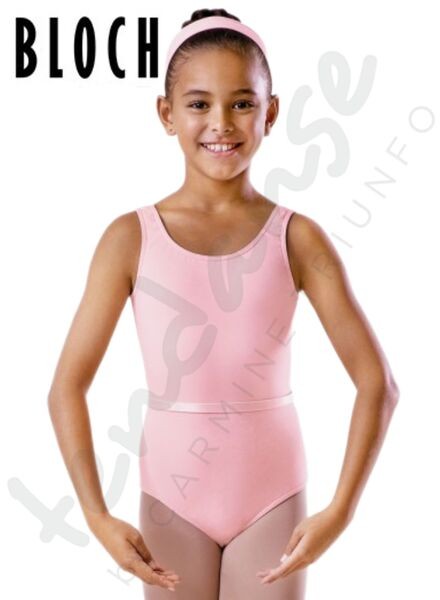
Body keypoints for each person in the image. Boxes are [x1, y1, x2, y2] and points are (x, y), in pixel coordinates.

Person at [47, 8, 400, 599]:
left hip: (271, 499)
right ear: (167, 114)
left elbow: (377, 384)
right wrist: (96, 516)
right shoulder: (129, 239)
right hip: (172, 500)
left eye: (241, 103)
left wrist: (340, 511)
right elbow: (66, 387)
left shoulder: (298, 239)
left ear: (271, 113)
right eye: (198, 103)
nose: (221, 123)